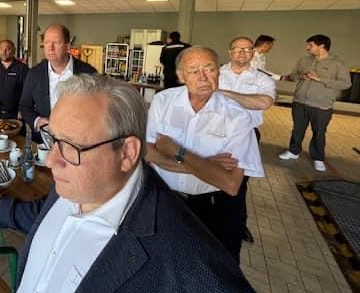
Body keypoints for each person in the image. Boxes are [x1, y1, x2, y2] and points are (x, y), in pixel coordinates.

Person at [0, 74, 260, 293]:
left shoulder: (195, 272)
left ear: (127, 153)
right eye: (53, 139)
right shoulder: (78, 181)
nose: (51, 160)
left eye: (71, 145)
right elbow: (48, 215)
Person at [146, 46, 264, 262]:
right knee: (165, 261)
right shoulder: (163, 101)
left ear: (219, 72)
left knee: (214, 266)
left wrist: (176, 151)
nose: (203, 77)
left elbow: (230, 183)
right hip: (167, 201)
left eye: (209, 69)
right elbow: (148, 153)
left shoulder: (237, 117)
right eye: (194, 71)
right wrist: (207, 165)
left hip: (212, 206)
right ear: (181, 76)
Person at [218, 36, 276, 244]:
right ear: (230, 52)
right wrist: (246, 100)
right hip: (213, 132)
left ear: (253, 53)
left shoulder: (262, 79)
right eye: (238, 48)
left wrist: (225, 93)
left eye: (247, 49)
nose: (242, 52)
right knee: (208, 176)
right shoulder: (215, 73)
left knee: (237, 185)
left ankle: (237, 226)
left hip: (245, 136)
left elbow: (263, 102)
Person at [278, 34, 351, 172]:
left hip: (321, 105)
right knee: (297, 129)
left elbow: (346, 84)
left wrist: (320, 79)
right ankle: (293, 151)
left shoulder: (337, 63)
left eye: (310, 45)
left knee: (319, 132)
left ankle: (318, 158)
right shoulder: (304, 60)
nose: (307, 48)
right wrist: (301, 76)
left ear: (321, 46)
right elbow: (292, 76)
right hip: (299, 102)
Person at [19, 24, 96, 141]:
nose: (50, 48)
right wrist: (37, 121)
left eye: (56, 42)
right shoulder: (34, 74)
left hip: (77, 141)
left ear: (67, 46)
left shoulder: (88, 73)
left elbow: (96, 110)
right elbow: (24, 106)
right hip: (44, 141)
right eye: (47, 42)